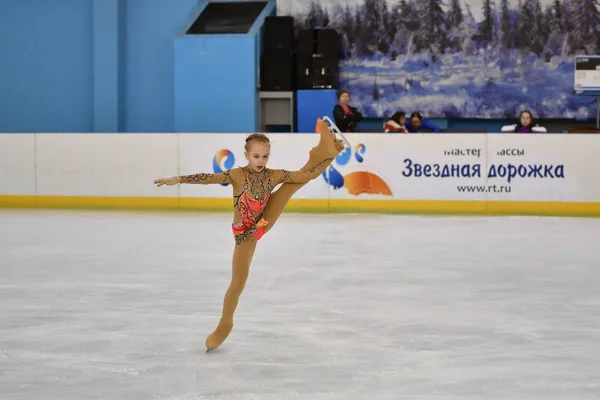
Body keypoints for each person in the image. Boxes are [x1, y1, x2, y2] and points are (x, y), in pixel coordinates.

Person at [153, 118, 345, 351]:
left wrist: (328, 159)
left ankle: (327, 150)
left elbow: (305, 176)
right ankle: (226, 323)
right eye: (256, 156)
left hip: (263, 220)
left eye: (265, 156)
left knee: (294, 183)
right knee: (238, 283)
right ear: (246, 155)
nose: (261, 161)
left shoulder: (273, 175)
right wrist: (179, 179)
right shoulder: (236, 175)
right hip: (245, 233)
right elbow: (208, 178)